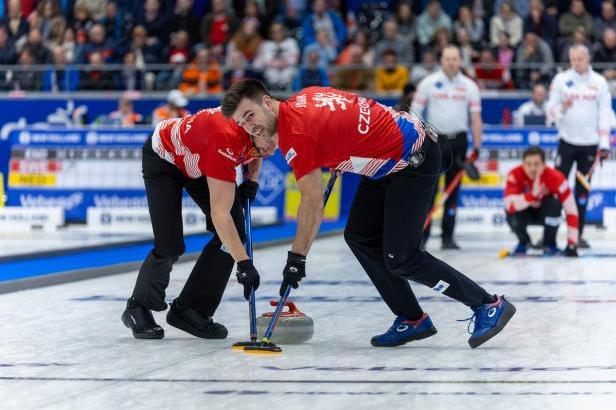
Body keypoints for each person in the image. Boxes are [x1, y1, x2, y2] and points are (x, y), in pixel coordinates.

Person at [221, 79, 516, 349]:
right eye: (242, 124)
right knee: (359, 235)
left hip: (412, 160)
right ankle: (412, 319)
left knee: (403, 258)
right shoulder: (304, 97)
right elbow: (349, 117)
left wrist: (296, 259)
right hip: (390, 156)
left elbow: (312, 203)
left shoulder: (295, 133)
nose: (250, 127)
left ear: (268, 102)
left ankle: (487, 304)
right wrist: (338, 150)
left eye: (251, 116)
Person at [121, 107, 262, 340]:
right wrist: (244, 264)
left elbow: (258, 154)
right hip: (163, 156)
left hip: (199, 161)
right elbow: (220, 213)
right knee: (170, 244)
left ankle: (191, 310)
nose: (273, 148)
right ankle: (137, 307)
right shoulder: (227, 137)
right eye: (269, 142)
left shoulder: (263, 126)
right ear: (252, 129)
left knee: (234, 231)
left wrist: (252, 181)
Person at [412, 45, 483, 250]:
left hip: (459, 143)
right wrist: (417, 141)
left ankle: (448, 237)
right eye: (447, 58)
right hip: (434, 141)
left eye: (455, 59)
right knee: (428, 191)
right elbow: (415, 112)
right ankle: (421, 237)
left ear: (460, 60)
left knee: (453, 191)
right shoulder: (429, 83)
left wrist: (477, 147)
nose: (451, 62)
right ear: (441, 60)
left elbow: (476, 118)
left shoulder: (470, 86)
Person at [546, 44, 613, 248]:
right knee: (557, 191)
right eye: (573, 59)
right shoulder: (561, 80)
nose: (576, 62)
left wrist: (603, 145)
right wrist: (562, 109)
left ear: (588, 59)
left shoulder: (599, 82)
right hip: (566, 144)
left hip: (589, 147)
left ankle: (578, 236)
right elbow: (550, 113)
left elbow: (605, 115)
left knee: (582, 193)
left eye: (580, 59)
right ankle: (550, 236)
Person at [504, 146, 578, 256]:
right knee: (511, 213)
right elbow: (509, 205)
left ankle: (549, 244)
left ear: (544, 165)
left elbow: (572, 211)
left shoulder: (557, 178)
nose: (532, 168)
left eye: (536, 164)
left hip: (546, 214)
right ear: (523, 164)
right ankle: (524, 242)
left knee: (555, 204)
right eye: (528, 164)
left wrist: (572, 243)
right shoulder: (514, 174)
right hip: (525, 214)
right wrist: (532, 195)